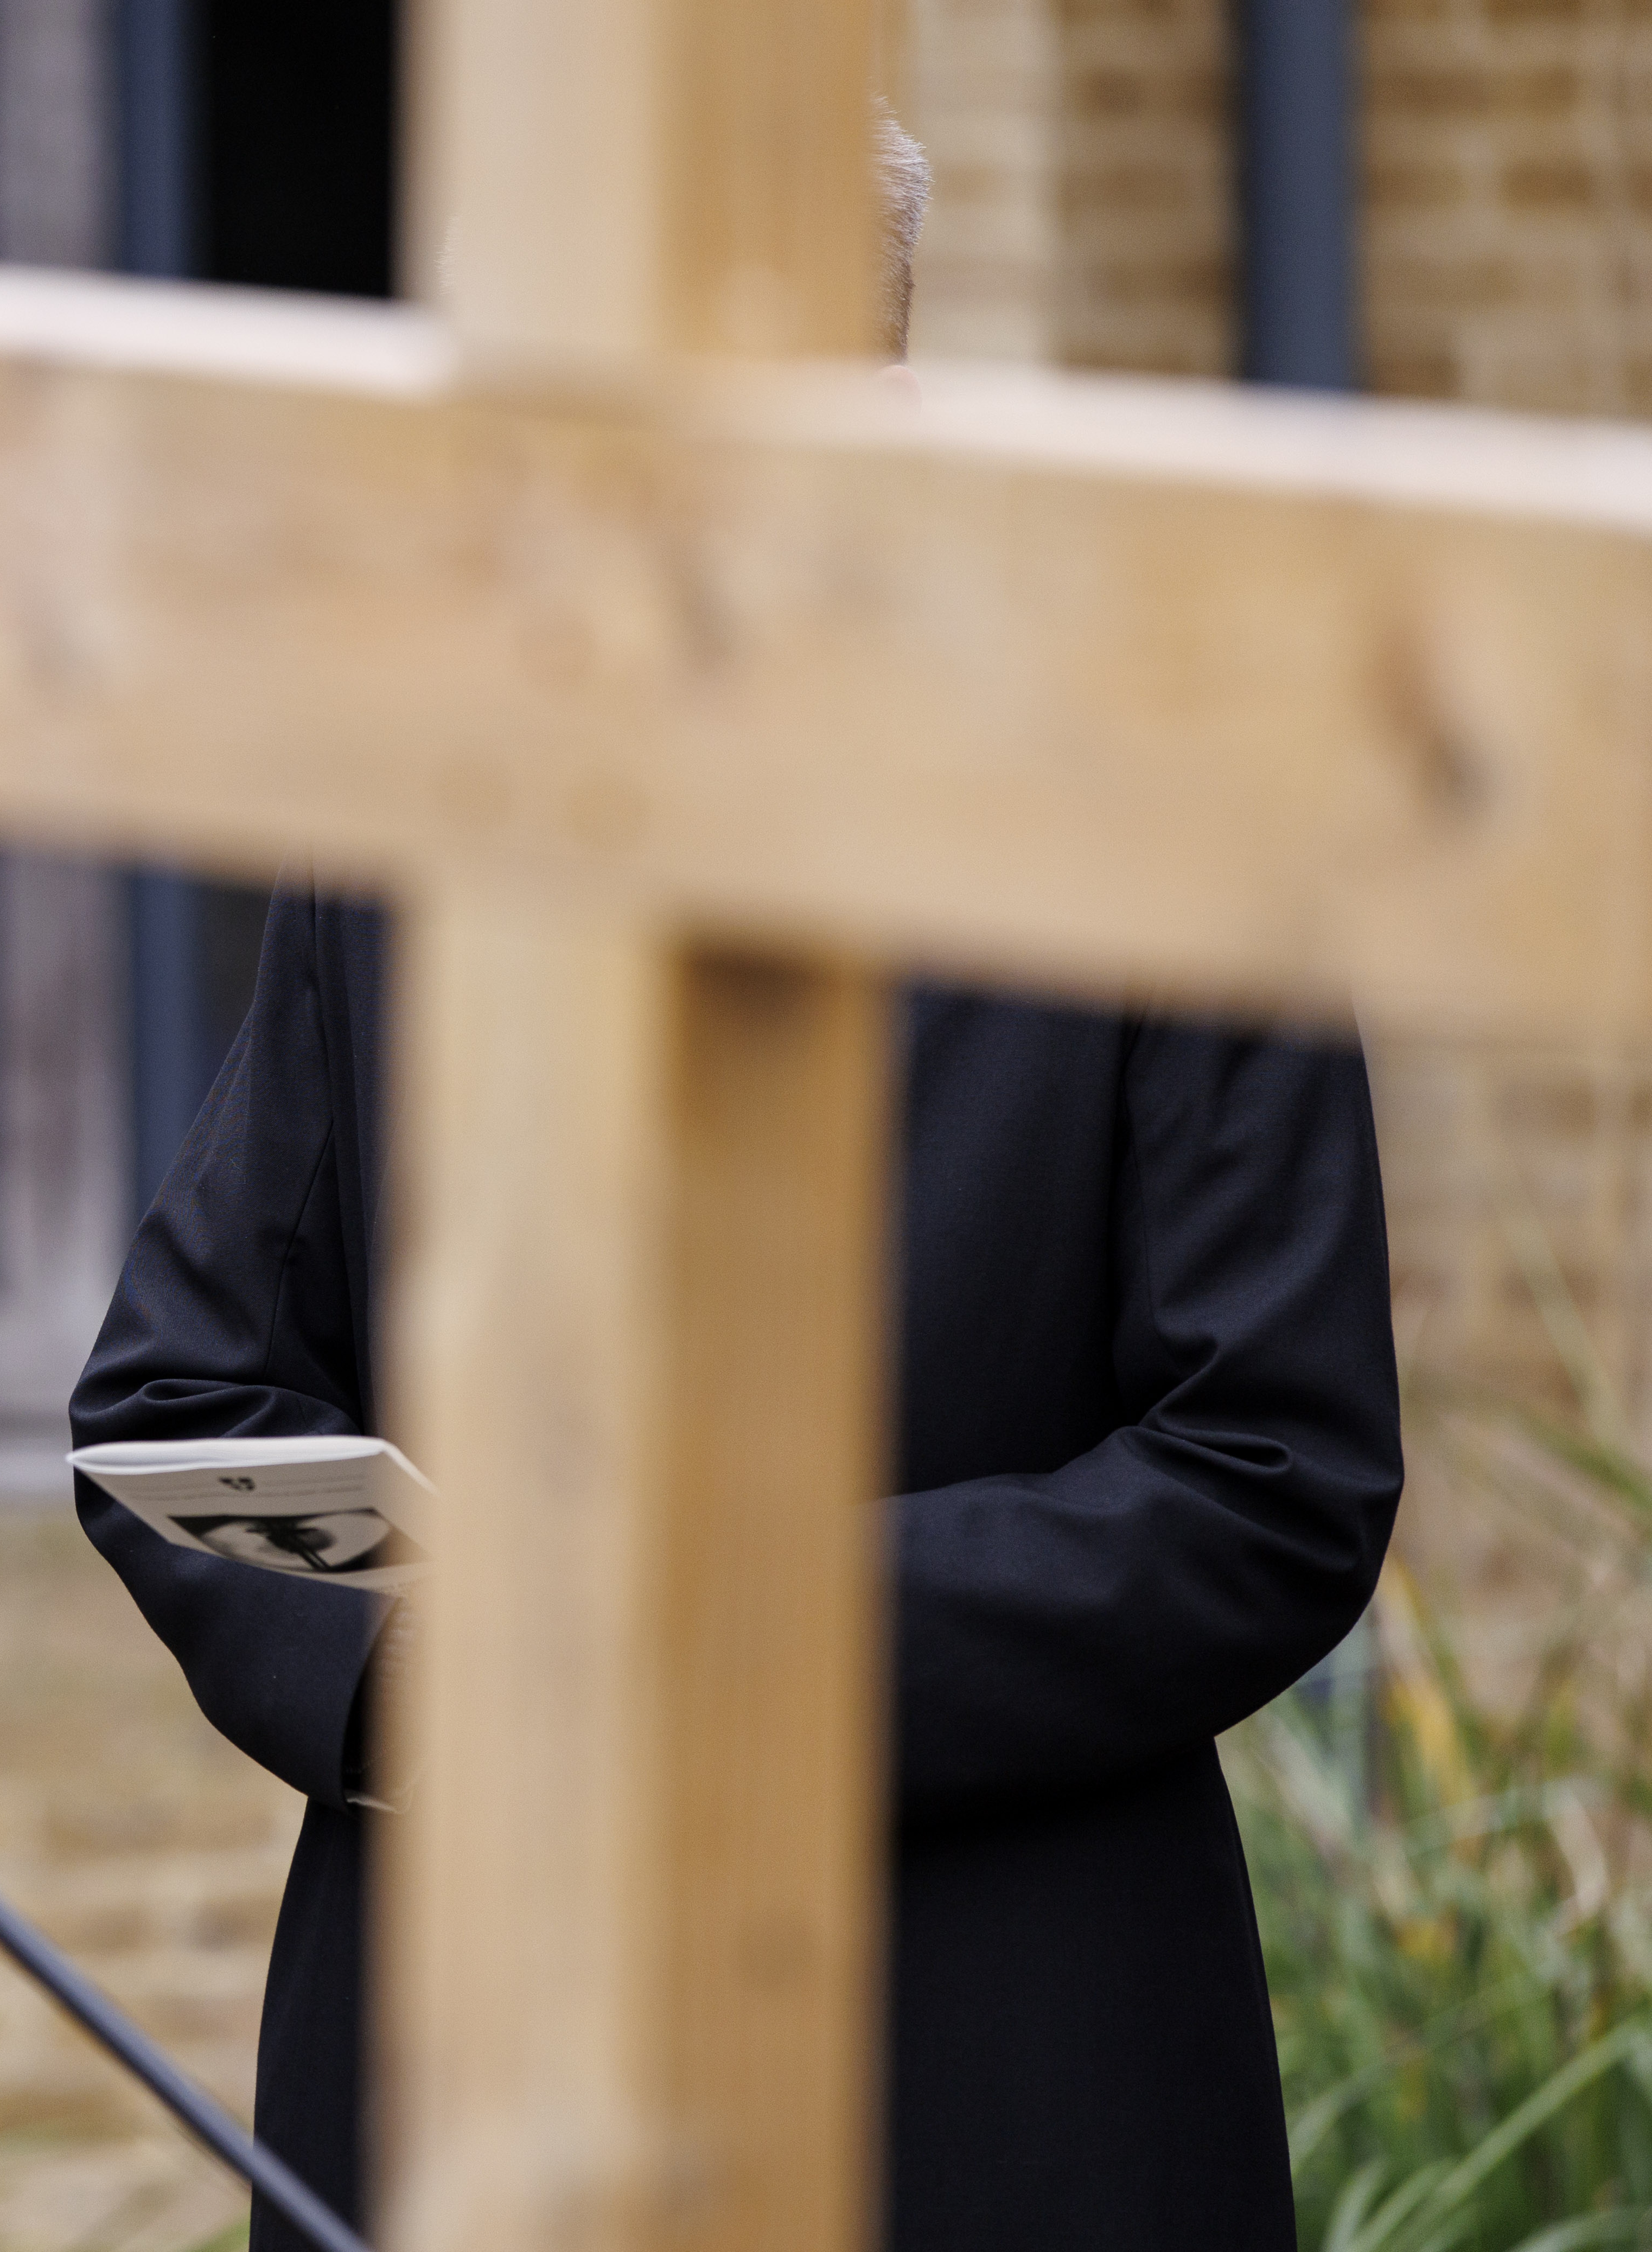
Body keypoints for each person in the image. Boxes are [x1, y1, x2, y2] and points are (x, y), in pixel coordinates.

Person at [70, 125, 1403, 2252]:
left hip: (990, 2057)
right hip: (464, 2050)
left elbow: (1266, 1473)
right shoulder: (405, 828)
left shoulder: (1180, 832)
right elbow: (177, 1408)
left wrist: (707, 1660)